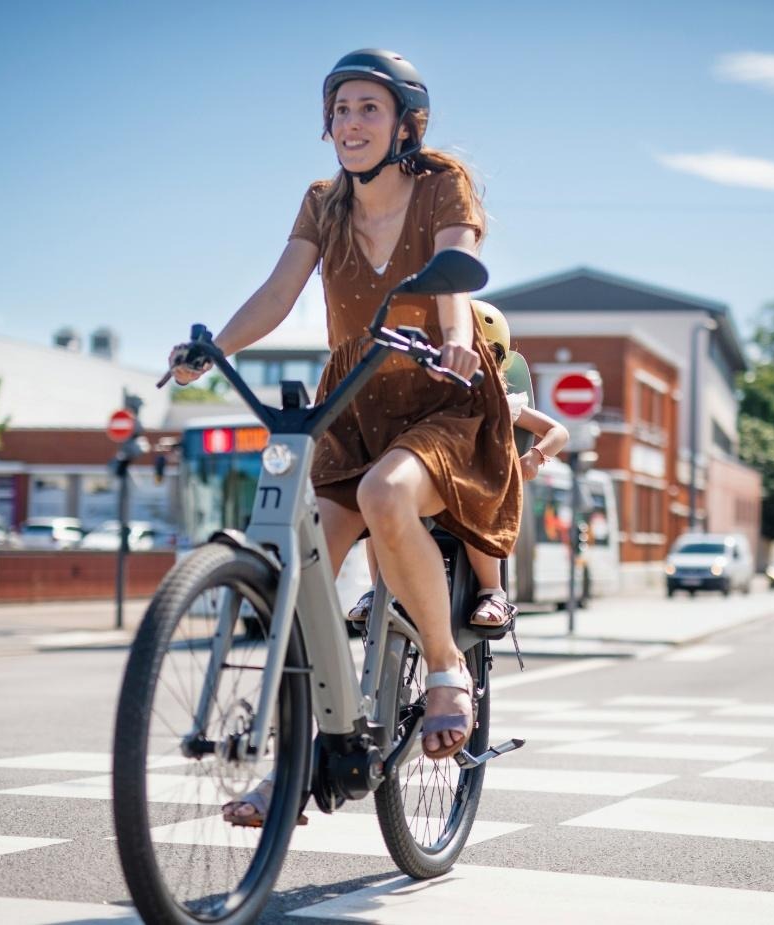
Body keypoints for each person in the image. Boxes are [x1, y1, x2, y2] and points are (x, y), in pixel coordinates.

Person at [169, 49, 521, 826]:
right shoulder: (321, 202)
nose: (350, 123)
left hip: (442, 393)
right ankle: (295, 764)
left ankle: (442, 663)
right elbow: (278, 289)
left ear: (404, 122)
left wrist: (456, 337)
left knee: (385, 494)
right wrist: (213, 347)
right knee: (298, 564)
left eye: (368, 107)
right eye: (339, 109)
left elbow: (454, 274)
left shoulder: (441, 184)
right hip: (352, 403)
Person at [348, 300, 569, 630]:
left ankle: (492, 592)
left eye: (479, 356)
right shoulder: (422, 399)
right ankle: (378, 588)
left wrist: (533, 458)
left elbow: (557, 431)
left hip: (470, 486)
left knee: (471, 494)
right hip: (429, 483)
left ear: (495, 363)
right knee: (376, 492)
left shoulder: (504, 403)